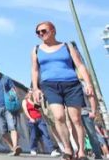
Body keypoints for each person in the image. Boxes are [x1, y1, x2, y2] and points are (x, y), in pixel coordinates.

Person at [31, 21, 97, 160]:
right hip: (49, 85)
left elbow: (80, 65)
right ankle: (67, 149)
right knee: (59, 117)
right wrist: (36, 88)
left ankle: (81, 151)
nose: (41, 34)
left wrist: (88, 84)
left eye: (44, 31)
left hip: (71, 84)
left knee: (76, 120)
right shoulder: (36, 49)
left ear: (53, 30)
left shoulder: (67, 46)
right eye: (38, 32)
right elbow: (35, 70)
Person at [23, 88, 61, 156]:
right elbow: (26, 111)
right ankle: (33, 149)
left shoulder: (35, 100)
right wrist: (30, 118)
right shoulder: (25, 101)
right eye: (30, 91)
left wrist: (38, 101)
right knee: (33, 136)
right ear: (27, 93)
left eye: (32, 91)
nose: (31, 92)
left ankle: (51, 150)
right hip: (32, 120)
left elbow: (39, 109)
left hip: (39, 119)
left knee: (45, 134)